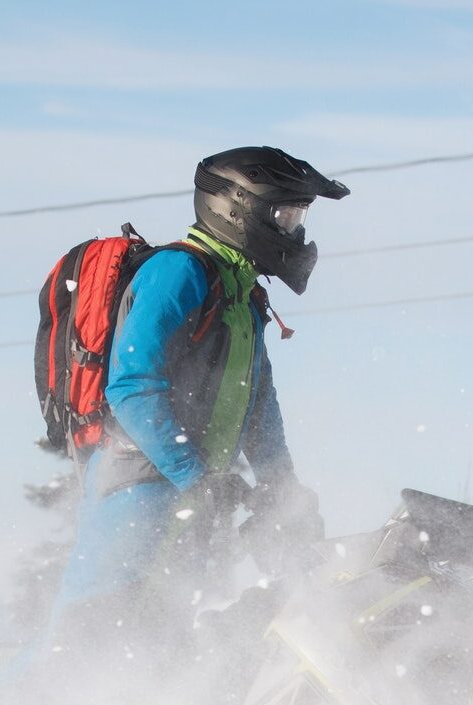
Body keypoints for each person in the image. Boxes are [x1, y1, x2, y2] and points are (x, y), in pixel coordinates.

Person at [44, 146, 347, 665]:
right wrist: (198, 476)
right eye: (284, 215)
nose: (294, 232)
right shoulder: (178, 272)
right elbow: (131, 385)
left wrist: (281, 490)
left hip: (194, 498)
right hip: (138, 491)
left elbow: (259, 407)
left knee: (163, 648)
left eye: (300, 218)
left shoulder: (244, 297)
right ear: (236, 208)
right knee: (80, 640)